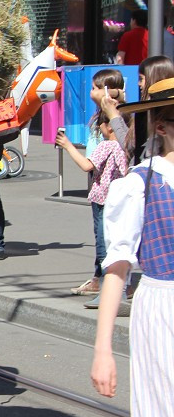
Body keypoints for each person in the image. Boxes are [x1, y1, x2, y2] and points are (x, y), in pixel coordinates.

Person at [91, 79, 174, 417]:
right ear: (162, 126)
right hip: (162, 303)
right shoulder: (138, 184)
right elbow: (117, 268)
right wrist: (103, 348)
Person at [56, 70, 131, 306]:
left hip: (104, 192)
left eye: (96, 88)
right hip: (109, 188)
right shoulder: (110, 121)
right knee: (108, 240)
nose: (91, 92)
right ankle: (102, 281)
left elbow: (87, 165)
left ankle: (111, 289)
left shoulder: (113, 131)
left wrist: (68, 146)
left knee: (104, 241)